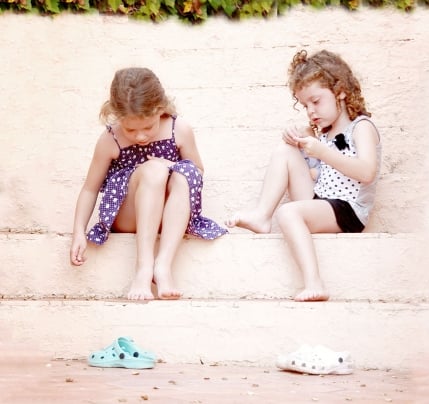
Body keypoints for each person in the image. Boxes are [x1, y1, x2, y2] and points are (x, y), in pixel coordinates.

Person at [226, 49, 381, 302]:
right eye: (305, 105)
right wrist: (297, 138)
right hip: (323, 200)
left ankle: (314, 282)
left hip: (348, 209)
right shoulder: (323, 132)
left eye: (316, 101)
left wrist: (322, 151)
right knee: (284, 151)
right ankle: (261, 215)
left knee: (289, 212)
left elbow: (366, 172)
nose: (310, 110)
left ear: (340, 91)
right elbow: (319, 173)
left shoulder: (361, 127)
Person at [70, 67, 227, 301]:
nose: (141, 137)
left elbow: (198, 173)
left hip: (169, 216)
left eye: (148, 127)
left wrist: (170, 164)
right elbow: (90, 188)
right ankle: (143, 269)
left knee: (184, 172)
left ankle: (162, 266)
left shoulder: (178, 129)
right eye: (131, 129)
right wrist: (78, 232)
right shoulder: (110, 139)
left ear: (160, 109)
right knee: (153, 170)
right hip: (129, 214)